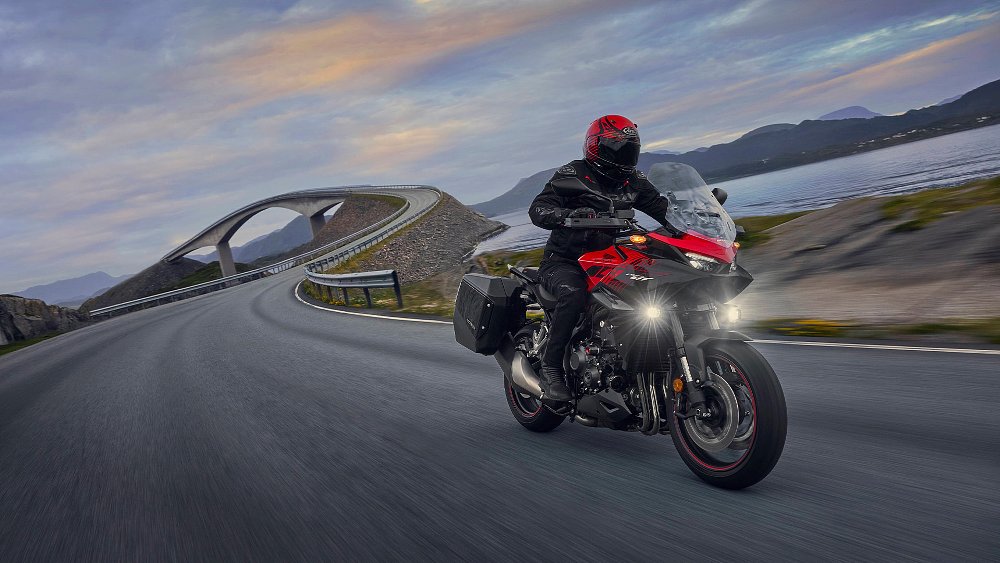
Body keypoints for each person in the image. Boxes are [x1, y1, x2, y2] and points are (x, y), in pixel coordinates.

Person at [528, 115, 677, 401]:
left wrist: (696, 223)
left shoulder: (633, 180)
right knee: (574, 294)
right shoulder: (573, 173)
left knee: (654, 292)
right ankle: (550, 367)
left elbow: (663, 210)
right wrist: (568, 215)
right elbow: (539, 209)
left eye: (630, 148)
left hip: (612, 259)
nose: (624, 154)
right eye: (617, 147)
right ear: (597, 147)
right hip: (566, 261)